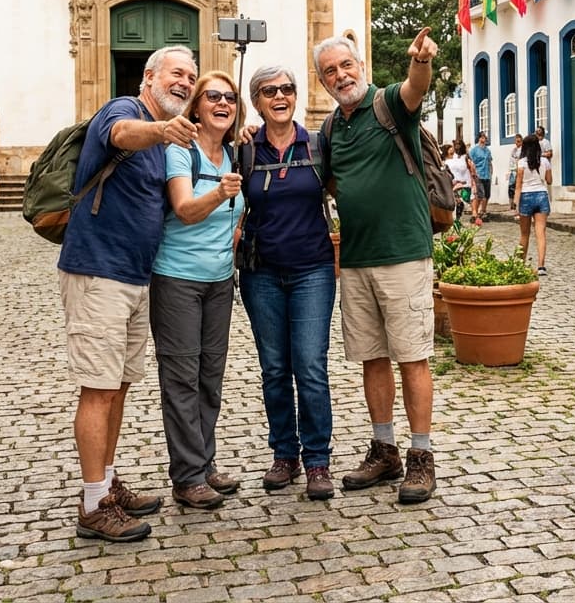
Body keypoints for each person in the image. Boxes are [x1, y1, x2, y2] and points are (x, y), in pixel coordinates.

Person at [57, 45, 200, 543]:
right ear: (149, 76)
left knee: (116, 385)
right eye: (176, 73)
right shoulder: (124, 110)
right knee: (98, 387)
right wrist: (161, 130)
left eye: (191, 76)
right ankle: (93, 503)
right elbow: (122, 136)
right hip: (98, 272)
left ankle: (107, 483)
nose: (184, 82)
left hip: (135, 277)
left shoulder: (166, 140)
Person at [315, 28, 440, 504]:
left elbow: (416, 87)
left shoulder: (389, 103)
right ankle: (383, 448)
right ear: (323, 80)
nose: (340, 75)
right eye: (330, 71)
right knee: (372, 357)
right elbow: (329, 183)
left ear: (360, 65)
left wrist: (421, 60)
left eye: (346, 65)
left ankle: (421, 457)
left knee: (412, 356)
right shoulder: (332, 129)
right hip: (358, 259)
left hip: (404, 254)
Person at [237, 66, 338, 500]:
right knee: (275, 369)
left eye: (287, 89)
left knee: (311, 366)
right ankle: (284, 454)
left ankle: (317, 461)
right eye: (269, 91)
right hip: (261, 273)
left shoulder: (317, 145)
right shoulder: (244, 150)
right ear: (256, 101)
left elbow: (344, 191)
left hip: (312, 270)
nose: (280, 96)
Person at [149, 70, 244, 511]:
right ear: (197, 107)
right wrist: (221, 195)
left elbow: (237, 218)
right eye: (212, 97)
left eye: (229, 97)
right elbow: (185, 209)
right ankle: (186, 476)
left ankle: (203, 464)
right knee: (182, 378)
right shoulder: (179, 151)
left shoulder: (233, 153)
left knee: (210, 377)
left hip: (219, 282)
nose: (222, 103)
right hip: (178, 280)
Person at [514, 134, 551, 274]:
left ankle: (519, 264)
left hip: (526, 196)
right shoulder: (545, 162)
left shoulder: (521, 163)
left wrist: (516, 205)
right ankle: (541, 266)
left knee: (524, 234)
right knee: (540, 233)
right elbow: (549, 180)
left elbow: (518, 186)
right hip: (541, 195)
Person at [443, 141, 474, 221]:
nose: (453, 149)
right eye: (451, 148)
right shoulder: (445, 163)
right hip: (449, 186)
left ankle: (457, 220)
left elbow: (458, 171)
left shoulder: (456, 159)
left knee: (459, 203)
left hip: (457, 185)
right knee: (456, 204)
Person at [468, 131, 493, 225]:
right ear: (479, 138)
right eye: (482, 137)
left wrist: (491, 173)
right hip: (478, 174)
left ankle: (483, 211)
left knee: (487, 195)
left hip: (487, 174)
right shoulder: (474, 150)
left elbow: (490, 162)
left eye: (485, 138)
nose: (484, 139)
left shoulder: (487, 150)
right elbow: (470, 162)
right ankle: (475, 212)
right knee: (478, 195)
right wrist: (473, 173)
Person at [507, 133, 523, 212]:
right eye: (516, 141)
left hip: (518, 170)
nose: (517, 143)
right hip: (512, 171)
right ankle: (511, 204)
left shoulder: (523, 150)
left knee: (517, 188)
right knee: (511, 188)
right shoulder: (514, 150)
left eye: (519, 141)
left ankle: (517, 204)